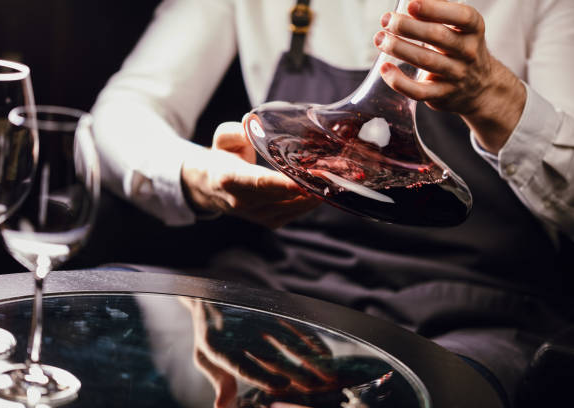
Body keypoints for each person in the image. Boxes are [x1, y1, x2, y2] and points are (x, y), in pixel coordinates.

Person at [91, 0, 574, 406]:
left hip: (474, 314)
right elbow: (121, 114)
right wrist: (201, 177)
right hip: (284, 290)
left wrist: (497, 98)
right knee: (91, 324)